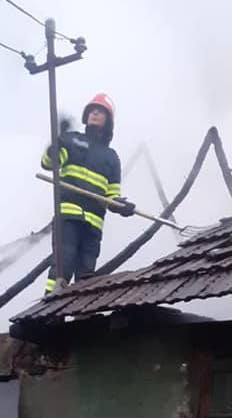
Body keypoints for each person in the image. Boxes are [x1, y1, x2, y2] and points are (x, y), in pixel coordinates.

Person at [41, 93, 136, 294]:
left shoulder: (111, 158)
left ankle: (78, 313)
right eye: (92, 110)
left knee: (86, 277)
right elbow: (49, 164)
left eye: (100, 111)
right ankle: (49, 308)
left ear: (108, 121)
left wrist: (123, 207)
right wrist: (57, 142)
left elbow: (112, 197)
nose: (94, 113)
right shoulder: (71, 140)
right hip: (68, 217)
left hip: (93, 226)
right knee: (63, 267)